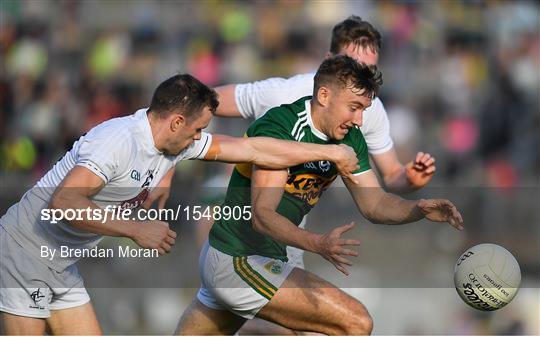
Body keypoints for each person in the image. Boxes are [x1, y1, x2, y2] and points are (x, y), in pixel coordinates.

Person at [0, 74, 360, 335]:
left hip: (59, 261)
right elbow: (64, 201)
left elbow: (252, 148)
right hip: (25, 251)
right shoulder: (116, 142)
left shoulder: (175, 140)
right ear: (176, 121)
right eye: (197, 129)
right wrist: (135, 229)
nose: (199, 137)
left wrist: (327, 152)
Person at [175, 55, 463, 336]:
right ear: (324, 95)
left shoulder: (348, 138)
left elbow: (375, 203)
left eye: (364, 109)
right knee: (356, 322)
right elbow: (263, 216)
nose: (359, 119)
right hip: (239, 258)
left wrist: (418, 210)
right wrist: (319, 244)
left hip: (264, 259)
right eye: (354, 107)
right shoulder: (282, 128)